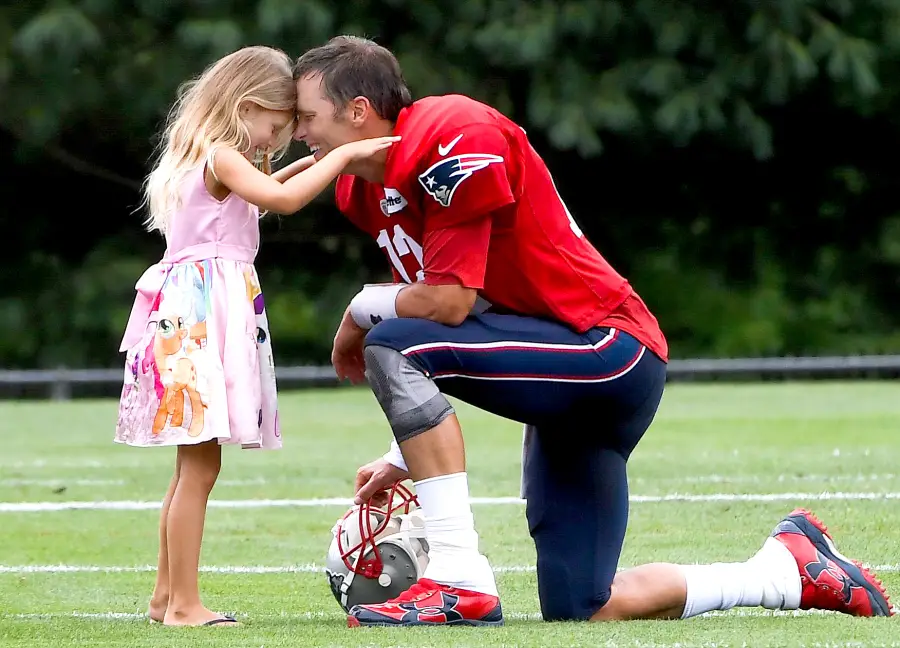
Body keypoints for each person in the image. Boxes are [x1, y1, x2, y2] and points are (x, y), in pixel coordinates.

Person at [292, 36, 893, 627]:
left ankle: (456, 578)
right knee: (582, 604)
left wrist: (358, 310)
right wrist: (406, 452)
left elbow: (448, 305)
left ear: (358, 111)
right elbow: (461, 330)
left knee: (389, 340)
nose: (300, 133)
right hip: (564, 377)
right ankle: (786, 571)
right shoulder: (364, 188)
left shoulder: (451, 128)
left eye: (307, 117)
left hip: (606, 349)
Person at [114, 44, 398, 627]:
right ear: (245, 106)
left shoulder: (199, 153)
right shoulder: (222, 155)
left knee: (189, 467)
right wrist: (345, 157)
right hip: (200, 317)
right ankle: (185, 606)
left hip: (187, 311)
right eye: (273, 128)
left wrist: (311, 163)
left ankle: (165, 598)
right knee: (199, 470)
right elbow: (284, 199)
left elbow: (270, 190)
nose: (276, 144)